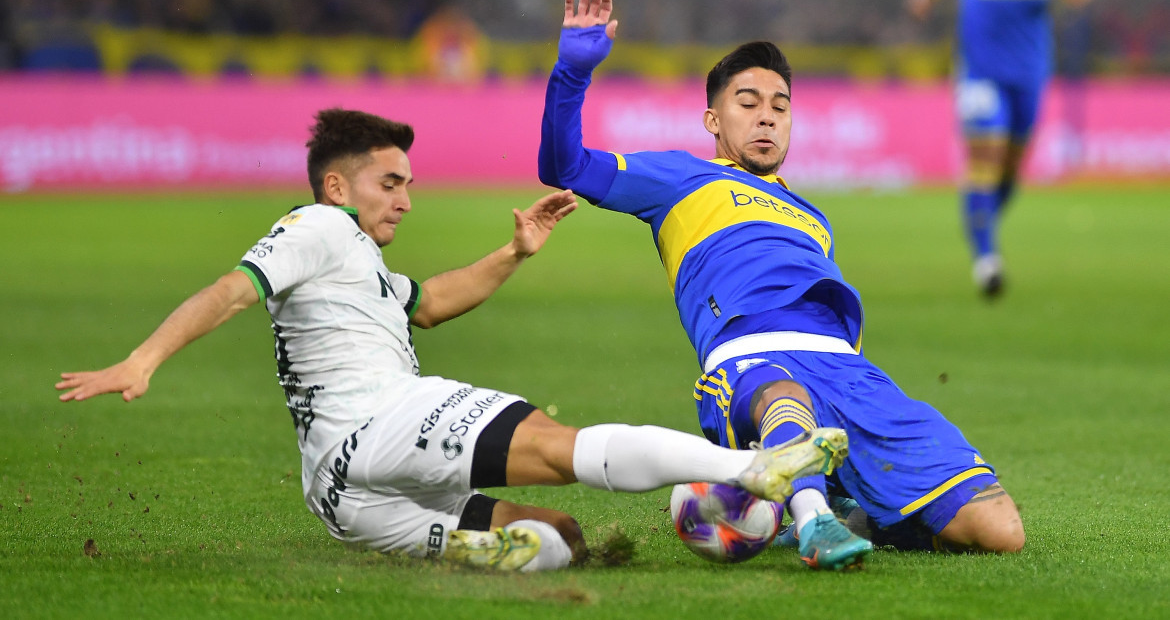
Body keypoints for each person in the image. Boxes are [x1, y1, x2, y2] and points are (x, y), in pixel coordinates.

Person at [57, 108, 848, 573]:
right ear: (339, 186)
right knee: (555, 443)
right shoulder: (318, 227)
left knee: (560, 538)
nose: (405, 199)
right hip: (382, 422)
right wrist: (143, 358)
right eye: (389, 183)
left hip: (338, 492)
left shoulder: (353, 260)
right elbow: (232, 290)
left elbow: (429, 303)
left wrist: (510, 254)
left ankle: (477, 552)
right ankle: (755, 467)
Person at [539, 0, 1026, 572]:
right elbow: (564, 165)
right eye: (748, 102)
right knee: (784, 395)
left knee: (1000, 530)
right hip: (752, 361)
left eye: (780, 105)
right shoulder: (679, 178)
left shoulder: (811, 216)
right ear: (713, 119)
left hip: (851, 373)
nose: (766, 116)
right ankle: (815, 519)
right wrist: (572, 70)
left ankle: (850, 512)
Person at [905, 0, 1099, 296]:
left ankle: (982, 222)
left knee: (1011, 168)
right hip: (979, 67)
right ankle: (986, 258)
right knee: (984, 155)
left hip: (1030, 67)